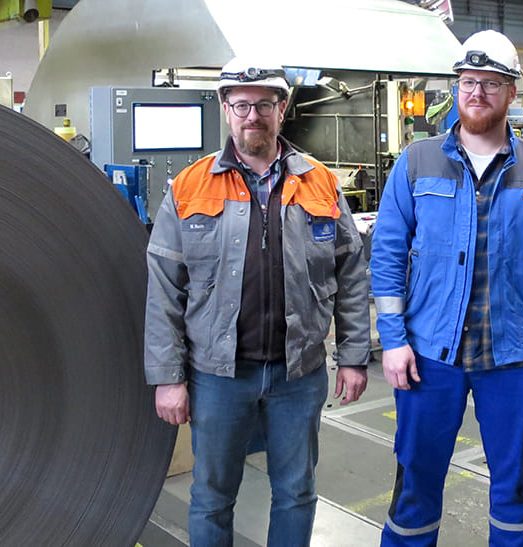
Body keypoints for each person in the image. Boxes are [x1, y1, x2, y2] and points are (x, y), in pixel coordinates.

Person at [370, 30, 523, 546]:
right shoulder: (417, 162)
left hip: (515, 357)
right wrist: (394, 339)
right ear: (457, 87)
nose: (477, 93)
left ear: (512, 92)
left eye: (491, 83)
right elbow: (386, 256)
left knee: (516, 487)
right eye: (469, 82)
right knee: (415, 483)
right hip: (429, 355)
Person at [144, 57, 371, 547]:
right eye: (242, 104)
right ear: (226, 109)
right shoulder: (189, 186)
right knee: (212, 495)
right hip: (218, 376)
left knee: (295, 491)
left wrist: (352, 357)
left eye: (264, 104)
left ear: (281, 108)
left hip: (299, 375)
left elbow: (351, 273)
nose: (253, 116)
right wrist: (168, 377)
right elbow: (164, 288)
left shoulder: (320, 183)